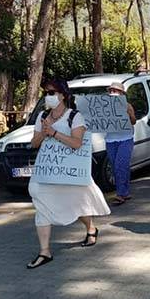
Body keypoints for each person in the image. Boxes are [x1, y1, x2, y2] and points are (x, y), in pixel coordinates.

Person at [26, 78, 110, 268]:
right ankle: (44, 252)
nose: (48, 96)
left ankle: (91, 228)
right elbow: (34, 143)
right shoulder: (42, 116)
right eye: (46, 93)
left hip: (69, 173)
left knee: (75, 203)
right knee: (41, 204)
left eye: (51, 92)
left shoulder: (74, 116)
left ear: (63, 95)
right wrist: (44, 130)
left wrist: (55, 133)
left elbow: (76, 143)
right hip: (47, 171)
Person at [105, 82, 137, 206]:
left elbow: (133, 121)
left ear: (122, 93)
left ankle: (120, 194)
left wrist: (129, 115)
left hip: (125, 138)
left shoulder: (127, 105)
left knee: (120, 164)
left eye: (116, 91)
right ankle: (126, 191)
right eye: (111, 90)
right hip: (110, 140)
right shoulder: (105, 107)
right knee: (116, 166)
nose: (113, 93)